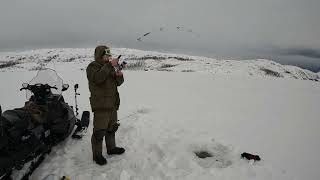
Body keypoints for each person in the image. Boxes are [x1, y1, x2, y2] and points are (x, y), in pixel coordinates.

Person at [86, 45, 125, 165]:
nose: (109, 57)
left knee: (112, 128)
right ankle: (97, 155)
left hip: (112, 104)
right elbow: (98, 79)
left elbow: (118, 83)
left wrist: (119, 74)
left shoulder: (109, 67)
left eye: (110, 55)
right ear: (100, 55)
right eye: (107, 55)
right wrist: (110, 65)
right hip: (101, 105)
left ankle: (111, 148)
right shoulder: (93, 67)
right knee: (99, 131)